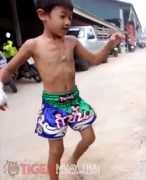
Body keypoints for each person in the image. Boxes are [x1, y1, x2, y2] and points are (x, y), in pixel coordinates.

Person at [0, 0, 124, 179]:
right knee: (56, 151)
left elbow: (95, 59)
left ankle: (73, 160)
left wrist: (110, 44)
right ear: (43, 15)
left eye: (70, 17)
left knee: (89, 137)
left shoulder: (72, 42)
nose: (67, 22)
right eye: (62, 16)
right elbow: (9, 69)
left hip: (74, 101)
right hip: (52, 105)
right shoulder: (32, 45)